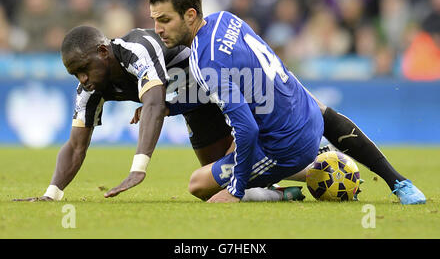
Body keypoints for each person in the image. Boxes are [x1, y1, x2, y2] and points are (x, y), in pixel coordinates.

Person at [148, 0, 426, 204]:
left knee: (199, 184)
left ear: (190, 14)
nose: (158, 29)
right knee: (302, 114)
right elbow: (230, 84)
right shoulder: (225, 19)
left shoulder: (204, 60)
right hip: (303, 108)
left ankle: (279, 191)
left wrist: (236, 189)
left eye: (165, 20)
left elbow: (247, 129)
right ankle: (399, 182)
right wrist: (172, 108)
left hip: (283, 145)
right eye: (155, 20)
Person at [13, 25, 304, 202]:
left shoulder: (136, 48)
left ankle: (320, 163)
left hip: (222, 84)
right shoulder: (90, 90)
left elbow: (154, 104)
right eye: (74, 74)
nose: (82, 80)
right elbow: (76, 146)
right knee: (213, 187)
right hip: (195, 106)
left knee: (267, 147)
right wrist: (52, 193)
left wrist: (138, 169)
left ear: (103, 51)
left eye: (83, 69)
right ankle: (283, 193)